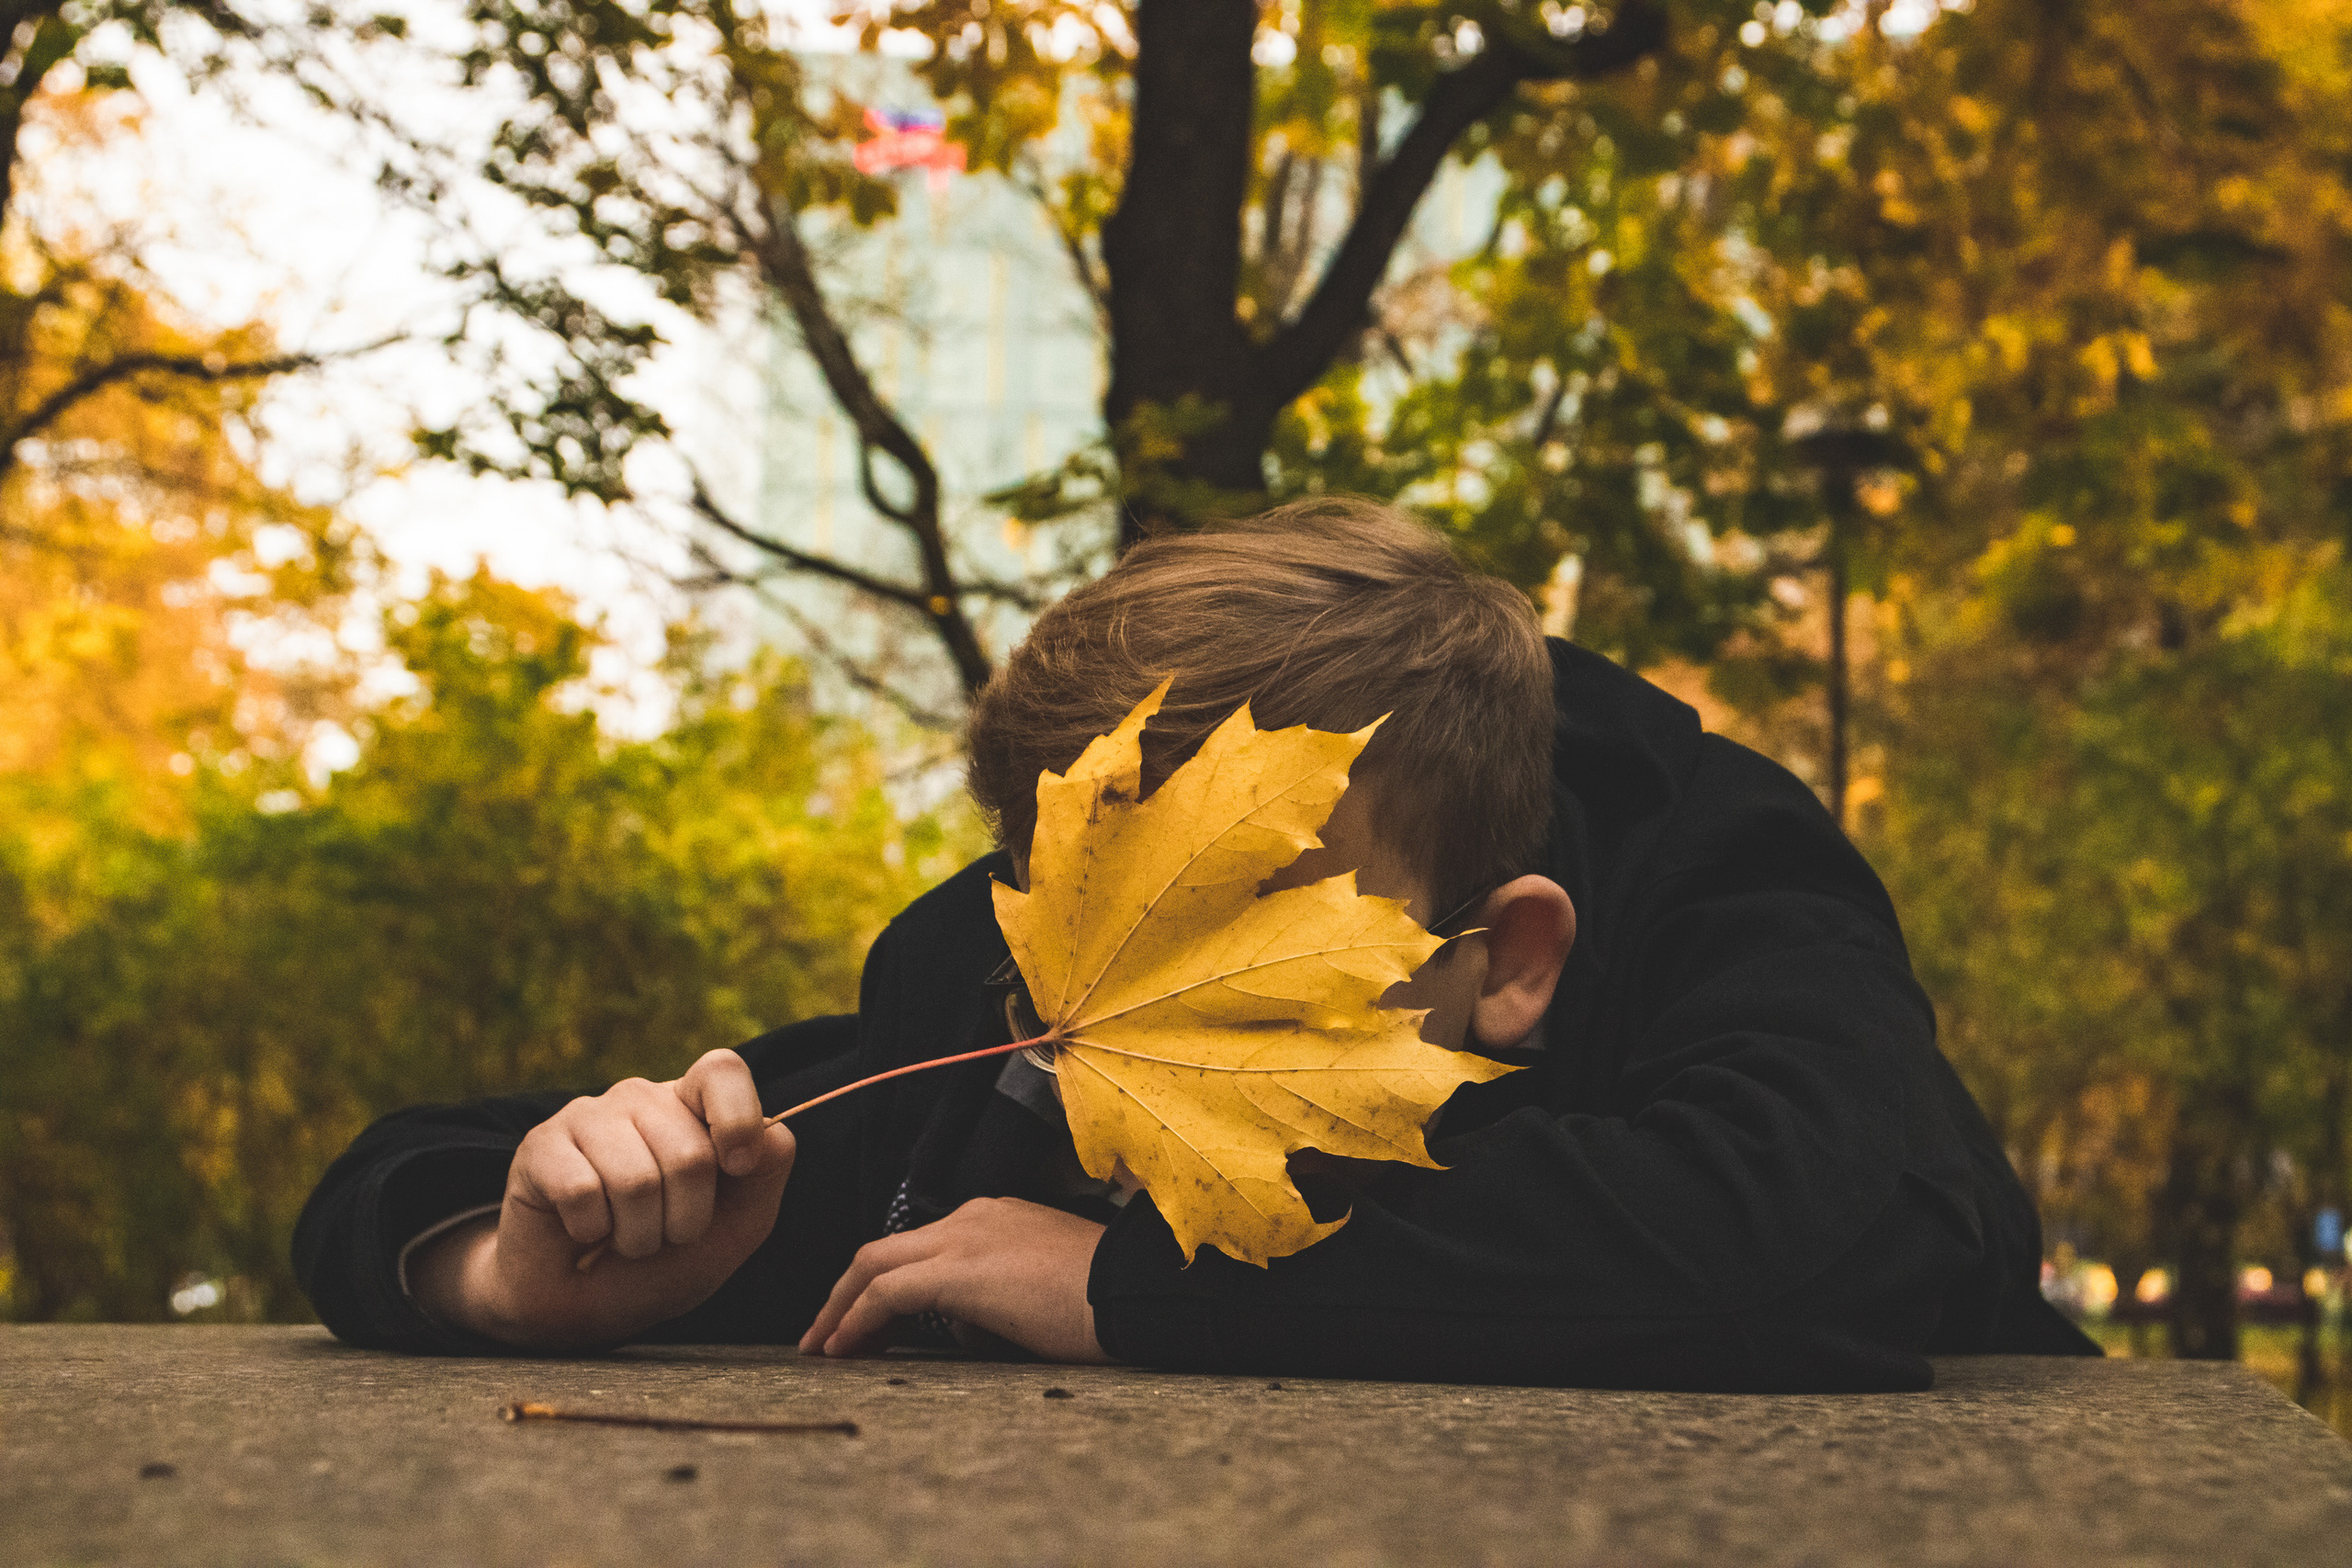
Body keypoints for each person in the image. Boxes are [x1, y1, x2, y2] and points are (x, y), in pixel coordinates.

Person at [293, 498, 2098, 1387]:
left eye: (1238, 939)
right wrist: (522, 1270)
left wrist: (1118, 1286)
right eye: (1085, 924)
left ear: (1510, 957)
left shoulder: (1720, 897)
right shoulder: (999, 1000)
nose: (1115, 1022)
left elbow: (1812, 1238)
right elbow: (411, 1180)